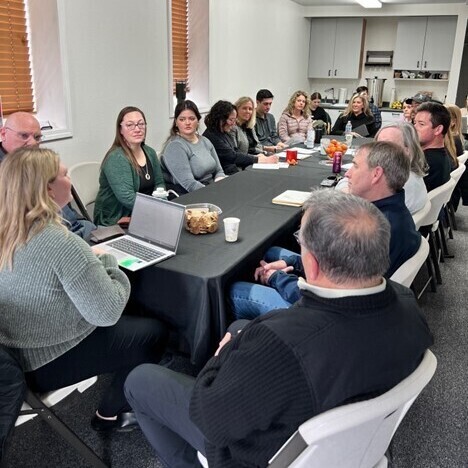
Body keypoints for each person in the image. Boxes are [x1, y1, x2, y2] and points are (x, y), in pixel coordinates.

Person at [124, 189, 433, 468]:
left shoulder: (279, 343)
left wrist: (220, 359)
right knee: (241, 325)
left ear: (311, 263)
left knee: (140, 380)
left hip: (257, 454)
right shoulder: (409, 306)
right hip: (347, 428)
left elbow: (208, 418)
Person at [0, 147, 168, 431]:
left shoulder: (8, 230)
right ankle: (111, 413)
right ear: (48, 190)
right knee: (154, 332)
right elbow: (108, 313)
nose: (70, 179)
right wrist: (109, 262)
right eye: (65, 174)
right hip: (44, 361)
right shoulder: (59, 242)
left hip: (12, 356)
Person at [230, 141, 421, 319]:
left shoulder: (370, 228)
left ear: (376, 174)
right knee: (272, 252)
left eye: (354, 165)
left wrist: (277, 279)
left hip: (330, 314)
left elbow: (330, 296)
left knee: (237, 290)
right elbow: (336, 267)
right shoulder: (389, 214)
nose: (347, 174)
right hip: (359, 303)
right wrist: (294, 264)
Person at [0, 111, 95, 241]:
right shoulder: (8, 174)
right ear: (3, 134)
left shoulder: (40, 162)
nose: (32, 143)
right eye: (24, 135)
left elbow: (69, 211)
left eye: (37, 137)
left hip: (76, 230)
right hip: (54, 239)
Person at [94, 106, 165, 226]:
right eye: (130, 125)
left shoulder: (150, 152)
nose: (137, 129)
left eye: (141, 124)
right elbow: (128, 198)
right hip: (117, 220)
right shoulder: (117, 158)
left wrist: (163, 205)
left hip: (145, 213)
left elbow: (159, 184)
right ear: (120, 130)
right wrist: (158, 211)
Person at [160, 100, 225, 196]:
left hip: (212, 188)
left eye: (191, 118)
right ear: (176, 123)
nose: (187, 123)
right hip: (192, 195)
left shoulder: (205, 141)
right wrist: (214, 193)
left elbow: (219, 170)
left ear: (198, 121)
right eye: (182, 119)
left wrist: (221, 183)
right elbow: (189, 184)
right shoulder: (175, 146)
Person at [203, 100, 277, 175]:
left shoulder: (224, 132)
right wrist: (258, 159)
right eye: (231, 120)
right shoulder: (212, 136)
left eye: (234, 120)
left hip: (234, 170)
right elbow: (232, 156)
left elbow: (236, 151)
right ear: (220, 119)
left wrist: (255, 156)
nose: (233, 123)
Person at [414, 102, 453, 192]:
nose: (414, 127)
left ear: (438, 129)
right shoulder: (440, 157)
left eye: (421, 124)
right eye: (414, 123)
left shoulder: (426, 162)